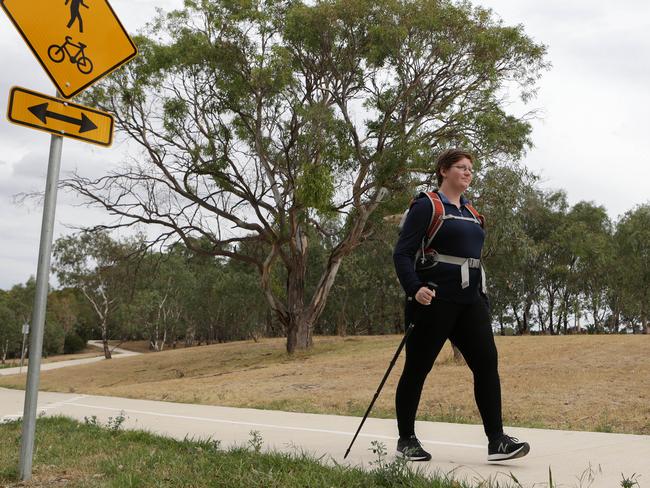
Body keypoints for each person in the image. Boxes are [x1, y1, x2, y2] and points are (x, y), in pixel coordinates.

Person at [392, 148, 530, 462]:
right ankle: (406, 440)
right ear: (444, 170)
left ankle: (497, 441)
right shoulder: (427, 205)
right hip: (434, 299)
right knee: (417, 368)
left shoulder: (470, 211)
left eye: (470, 168)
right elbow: (402, 253)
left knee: (486, 365)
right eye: (461, 167)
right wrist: (415, 289)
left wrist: (483, 299)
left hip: (470, 301)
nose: (467, 173)